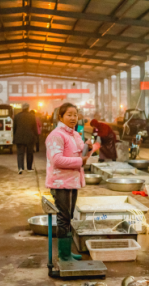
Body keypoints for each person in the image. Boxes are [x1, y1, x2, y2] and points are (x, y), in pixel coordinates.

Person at [45, 103, 92, 262]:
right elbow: (56, 160)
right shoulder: (56, 135)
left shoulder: (75, 135)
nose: (73, 118)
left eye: (75, 114)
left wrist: (88, 148)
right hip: (60, 182)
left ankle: (67, 252)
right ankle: (64, 255)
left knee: (69, 216)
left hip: (72, 181)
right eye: (69, 115)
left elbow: (79, 156)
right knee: (63, 218)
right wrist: (80, 160)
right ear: (60, 117)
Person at [13, 103, 38, 174]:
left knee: (20, 153)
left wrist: (14, 136)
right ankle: (29, 168)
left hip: (19, 137)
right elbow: (34, 128)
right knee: (29, 153)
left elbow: (14, 128)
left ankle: (20, 168)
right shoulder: (32, 116)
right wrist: (36, 136)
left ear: (22, 108)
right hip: (30, 137)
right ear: (28, 108)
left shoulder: (17, 116)